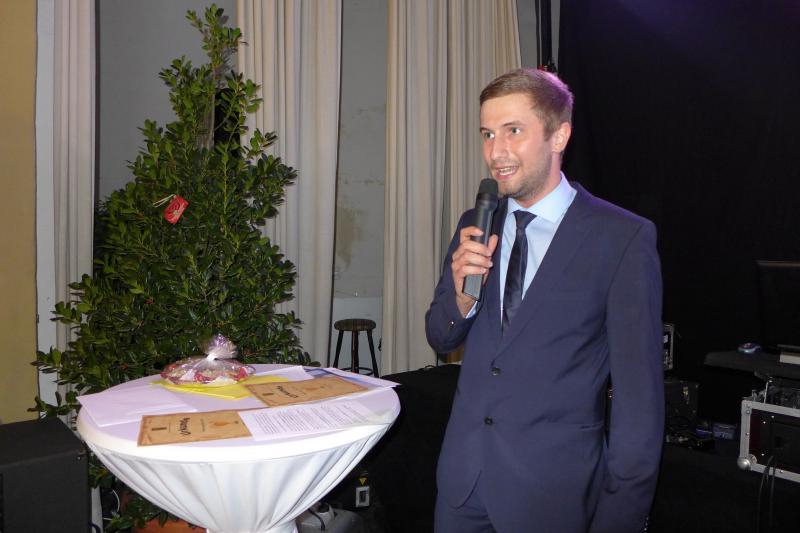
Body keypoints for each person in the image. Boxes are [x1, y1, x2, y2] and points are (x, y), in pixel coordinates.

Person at [425, 68, 664, 533]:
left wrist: (621, 516)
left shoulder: (621, 238)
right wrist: (461, 296)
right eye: (487, 134)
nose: (496, 152)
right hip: (462, 487)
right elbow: (440, 336)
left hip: (551, 494)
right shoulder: (476, 222)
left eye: (513, 131)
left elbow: (640, 402)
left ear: (559, 136)